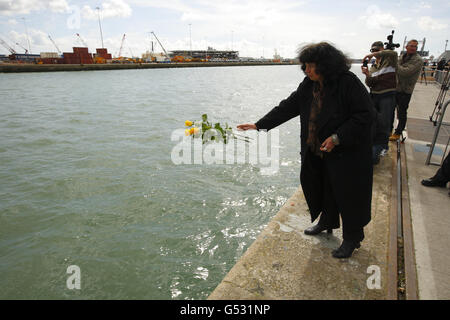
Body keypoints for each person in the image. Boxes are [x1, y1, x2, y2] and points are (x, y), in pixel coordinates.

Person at [237, 42, 375, 259]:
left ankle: (352, 238)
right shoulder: (309, 84)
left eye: (312, 66)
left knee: (349, 196)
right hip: (317, 149)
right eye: (305, 66)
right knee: (323, 187)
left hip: (347, 153)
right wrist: (259, 124)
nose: (307, 70)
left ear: (327, 65)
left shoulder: (348, 83)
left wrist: (337, 138)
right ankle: (327, 221)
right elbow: (289, 106)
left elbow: (366, 115)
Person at [361, 41, 398, 164]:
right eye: (372, 50)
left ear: (382, 49)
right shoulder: (373, 66)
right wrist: (367, 75)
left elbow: (392, 53)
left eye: (377, 49)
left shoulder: (390, 59)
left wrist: (373, 54)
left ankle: (384, 146)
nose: (374, 52)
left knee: (385, 121)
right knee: (373, 121)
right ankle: (375, 144)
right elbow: (370, 83)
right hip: (375, 95)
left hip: (387, 95)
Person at [389, 40, 423, 141]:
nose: (413, 48)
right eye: (411, 46)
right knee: (391, 109)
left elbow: (405, 72)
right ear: (406, 47)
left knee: (402, 112)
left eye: (415, 47)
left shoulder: (418, 60)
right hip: (396, 88)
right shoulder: (402, 56)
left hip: (406, 90)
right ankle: (389, 129)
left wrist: (396, 64)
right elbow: (398, 69)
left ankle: (398, 132)